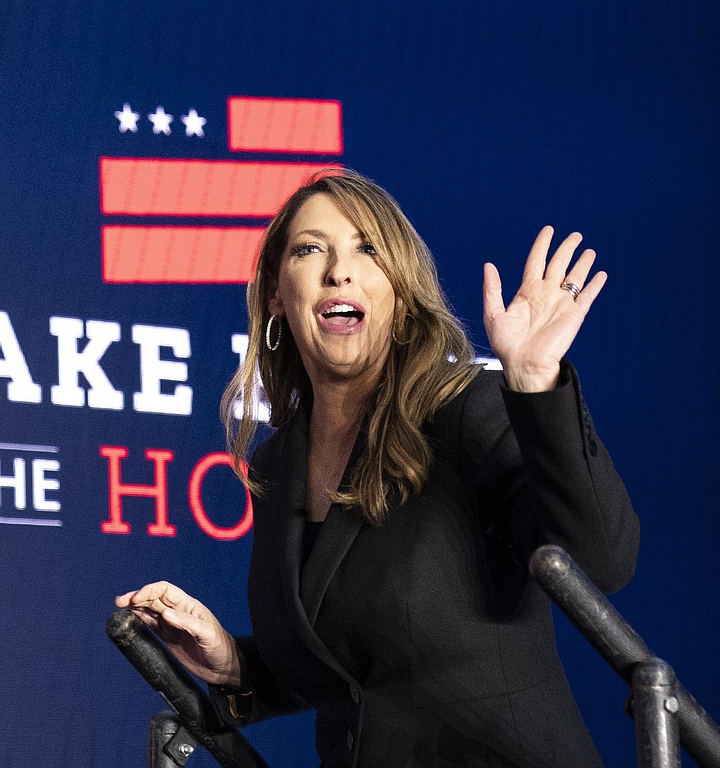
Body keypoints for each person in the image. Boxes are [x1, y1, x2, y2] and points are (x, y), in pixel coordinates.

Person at [116, 169, 640, 767]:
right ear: (275, 298)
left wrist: (535, 385)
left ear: (401, 290)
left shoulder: (466, 412)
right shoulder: (279, 462)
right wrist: (235, 665)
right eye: (311, 249)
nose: (340, 270)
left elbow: (600, 559)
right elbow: (351, 671)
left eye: (368, 249)